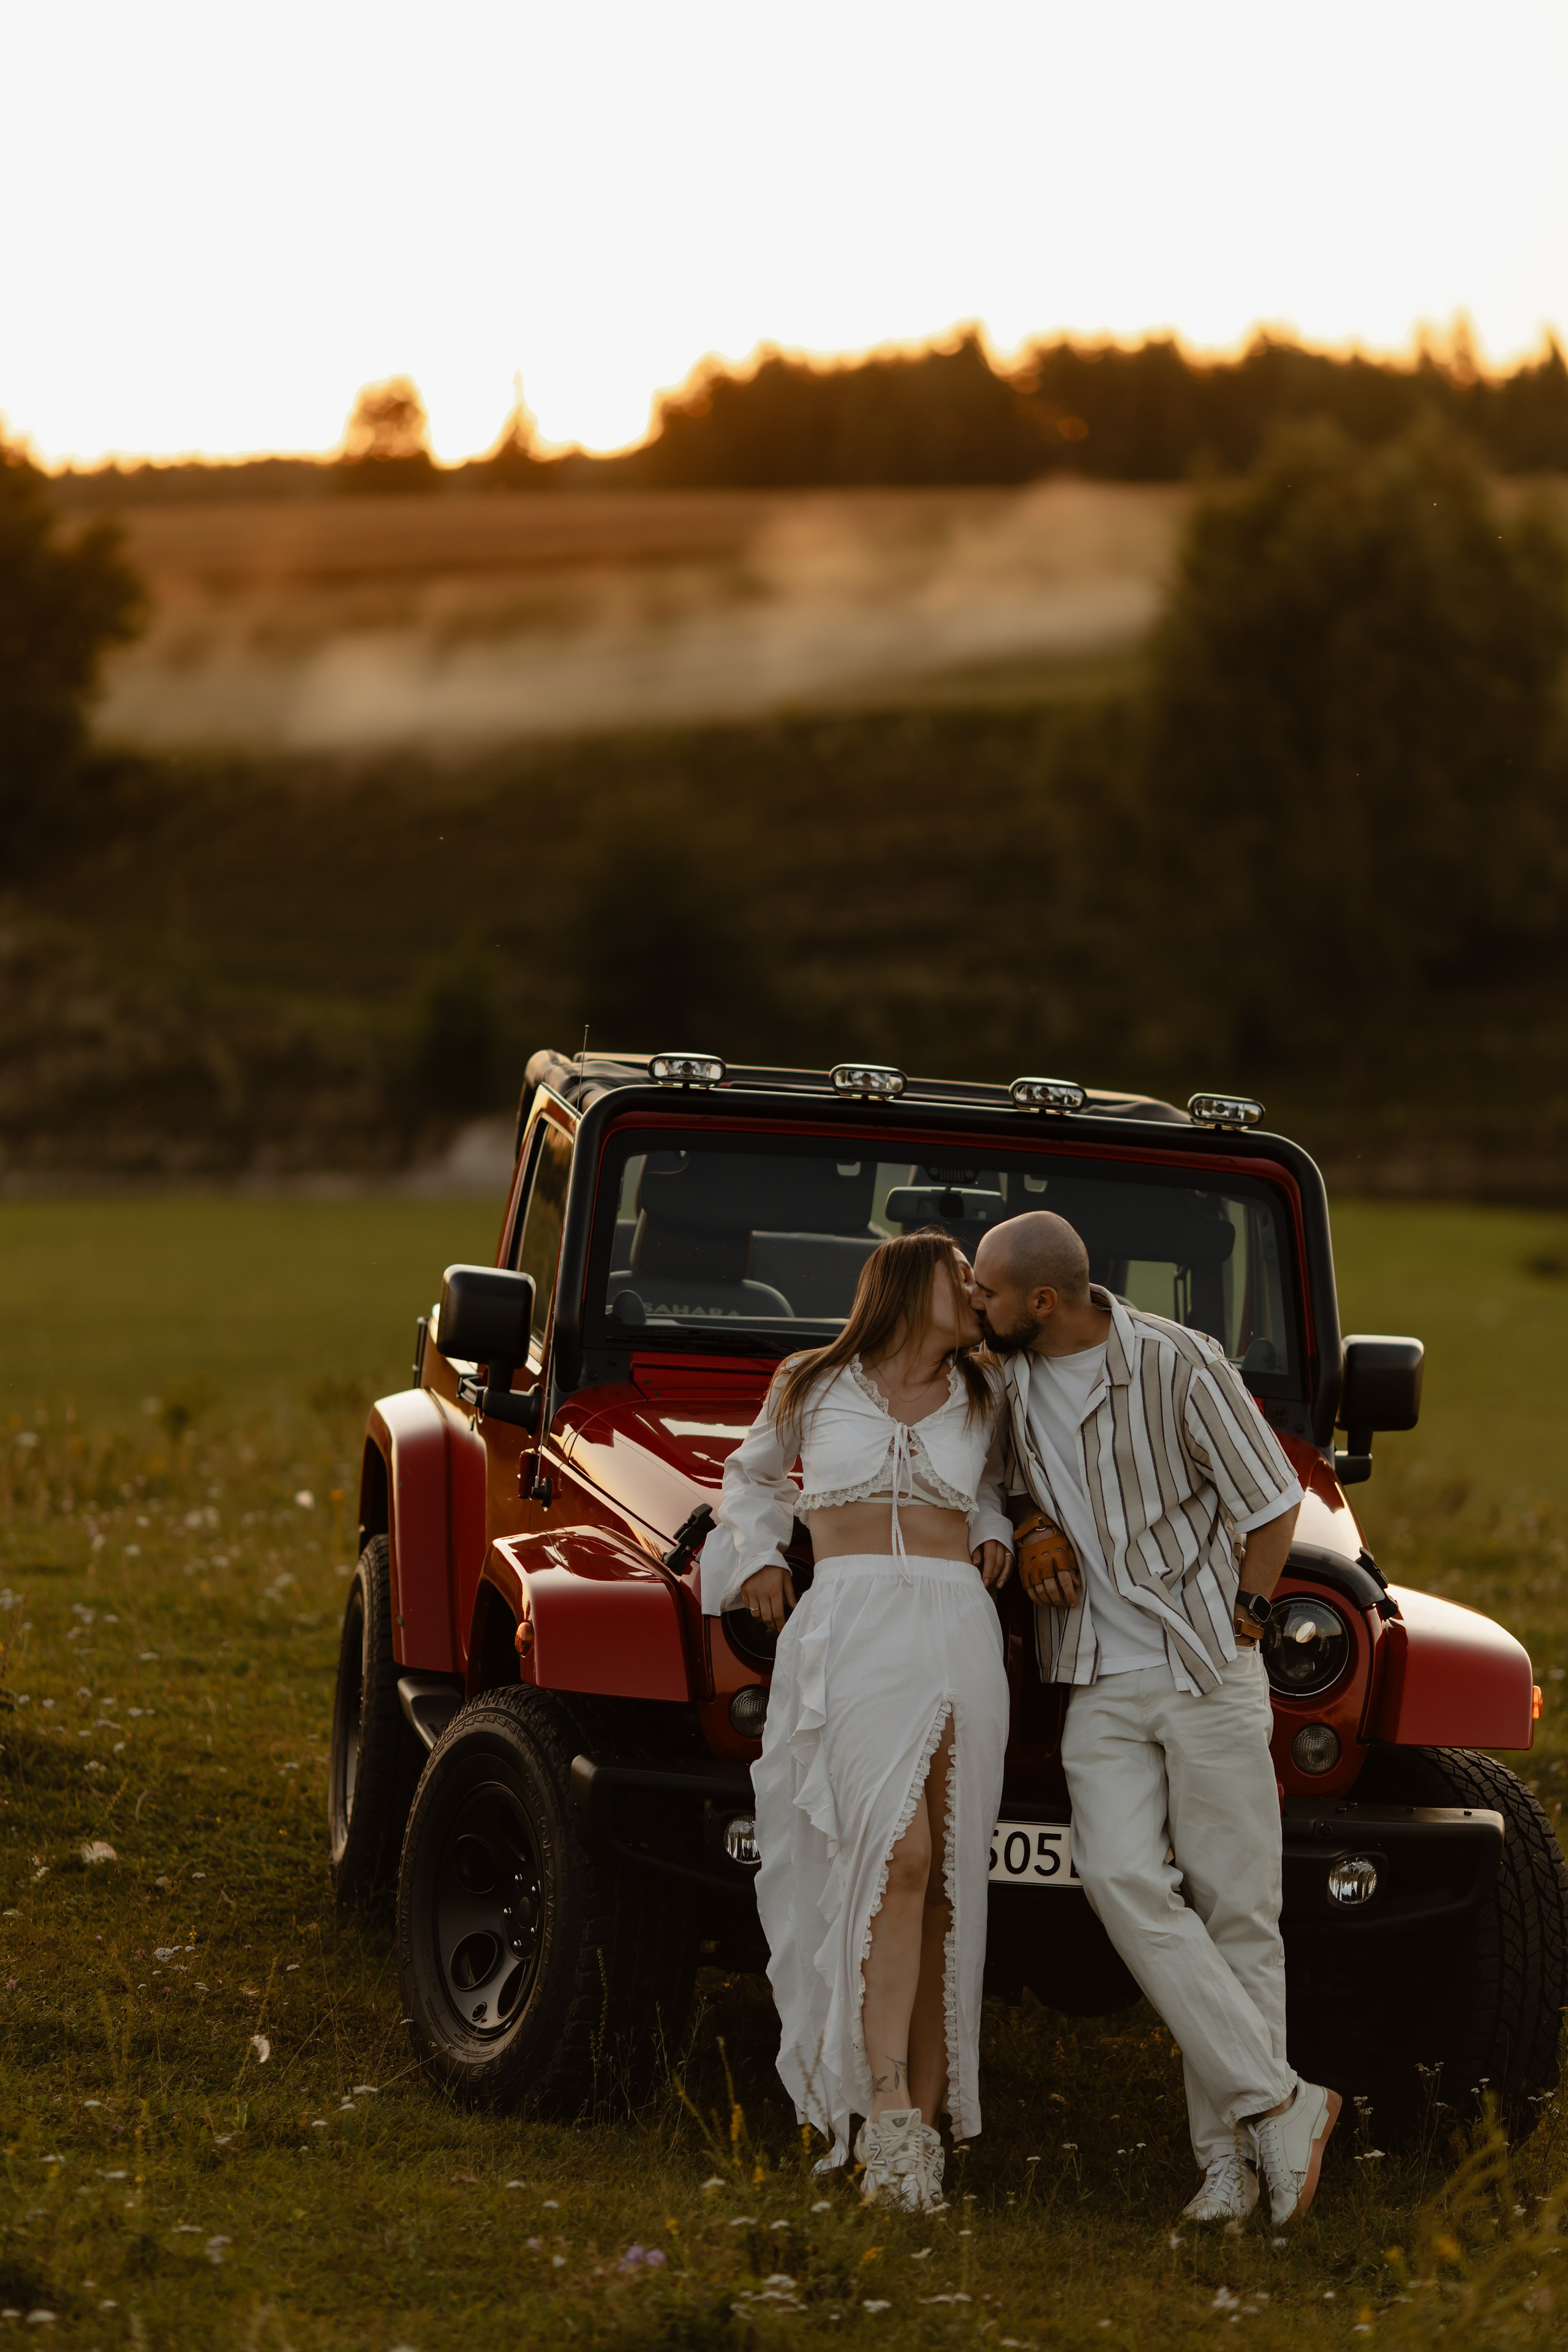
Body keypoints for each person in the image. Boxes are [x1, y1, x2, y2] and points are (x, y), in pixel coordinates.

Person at [967, 1210, 1339, 2228]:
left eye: (989, 1292)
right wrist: (1035, 1521)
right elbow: (994, 1482)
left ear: (1042, 1302)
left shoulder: (1179, 1362)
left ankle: (1234, 2168)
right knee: (1118, 1875)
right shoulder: (1002, 1376)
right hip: (1093, 1671)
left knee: (1238, 1913)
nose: (974, 1306)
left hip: (1204, 1664)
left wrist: (1248, 1621)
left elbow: (1270, 1500)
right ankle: (1279, 2103)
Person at [700, 1230, 1014, 2211]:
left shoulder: (988, 1392)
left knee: (948, 1880)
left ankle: (920, 2123)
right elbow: (748, 1482)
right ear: (903, 1283)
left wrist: (1001, 1531)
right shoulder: (811, 1380)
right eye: (958, 1275)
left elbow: (1000, 1491)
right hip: (848, 1623)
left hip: (957, 1624)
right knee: (894, 1856)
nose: (974, 1290)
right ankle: (878, 2109)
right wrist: (755, 1557)